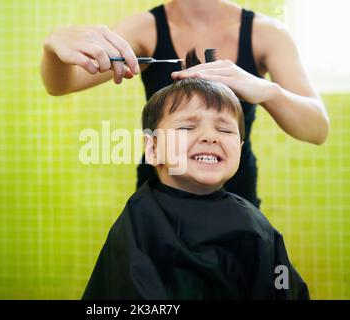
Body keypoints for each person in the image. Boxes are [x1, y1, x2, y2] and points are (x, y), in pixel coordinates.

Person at [41, 0, 329, 207]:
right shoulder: (144, 28)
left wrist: (267, 91)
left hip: (236, 200)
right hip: (159, 201)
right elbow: (61, 84)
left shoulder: (267, 34)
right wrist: (54, 49)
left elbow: (317, 130)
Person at [82, 78, 309, 299]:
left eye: (225, 130)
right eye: (188, 127)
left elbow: (283, 288)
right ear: (152, 148)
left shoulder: (255, 227)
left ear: (239, 148)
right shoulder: (140, 220)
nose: (210, 137)